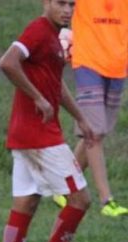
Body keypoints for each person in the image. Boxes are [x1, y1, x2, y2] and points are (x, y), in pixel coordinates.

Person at [0, 0, 95, 242]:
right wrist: (38, 98)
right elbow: (7, 62)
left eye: (72, 4)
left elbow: (55, 84)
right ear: (46, 3)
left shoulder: (54, 37)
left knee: (26, 203)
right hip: (39, 135)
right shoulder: (39, 31)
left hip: (25, 134)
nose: (68, 10)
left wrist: (80, 117)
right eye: (61, 3)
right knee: (80, 199)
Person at [56, 0, 128, 217]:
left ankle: (63, 187)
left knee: (98, 132)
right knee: (93, 134)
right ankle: (107, 200)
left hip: (118, 65)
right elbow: (58, 8)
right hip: (88, 62)